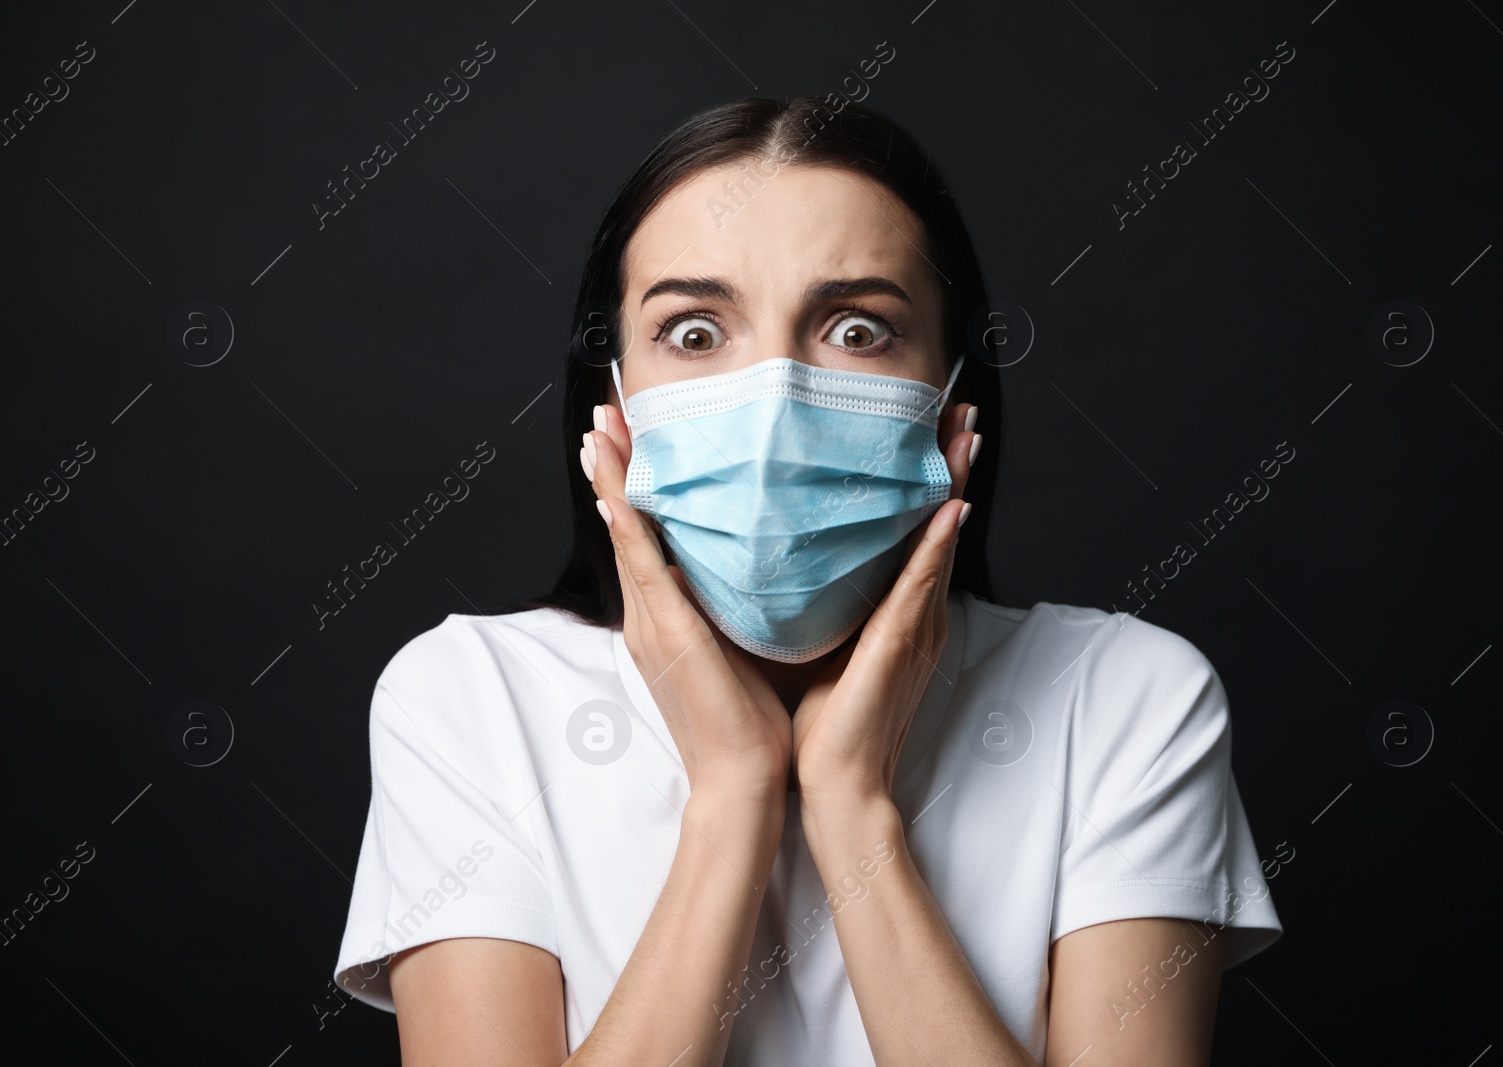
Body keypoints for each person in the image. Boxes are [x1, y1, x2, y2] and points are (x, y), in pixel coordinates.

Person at [332, 94, 1282, 1066]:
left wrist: (849, 801)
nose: (776, 401)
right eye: (695, 332)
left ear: (955, 399)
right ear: (611, 408)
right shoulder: (469, 700)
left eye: (857, 330)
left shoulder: (1125, 697)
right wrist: (733, 793)